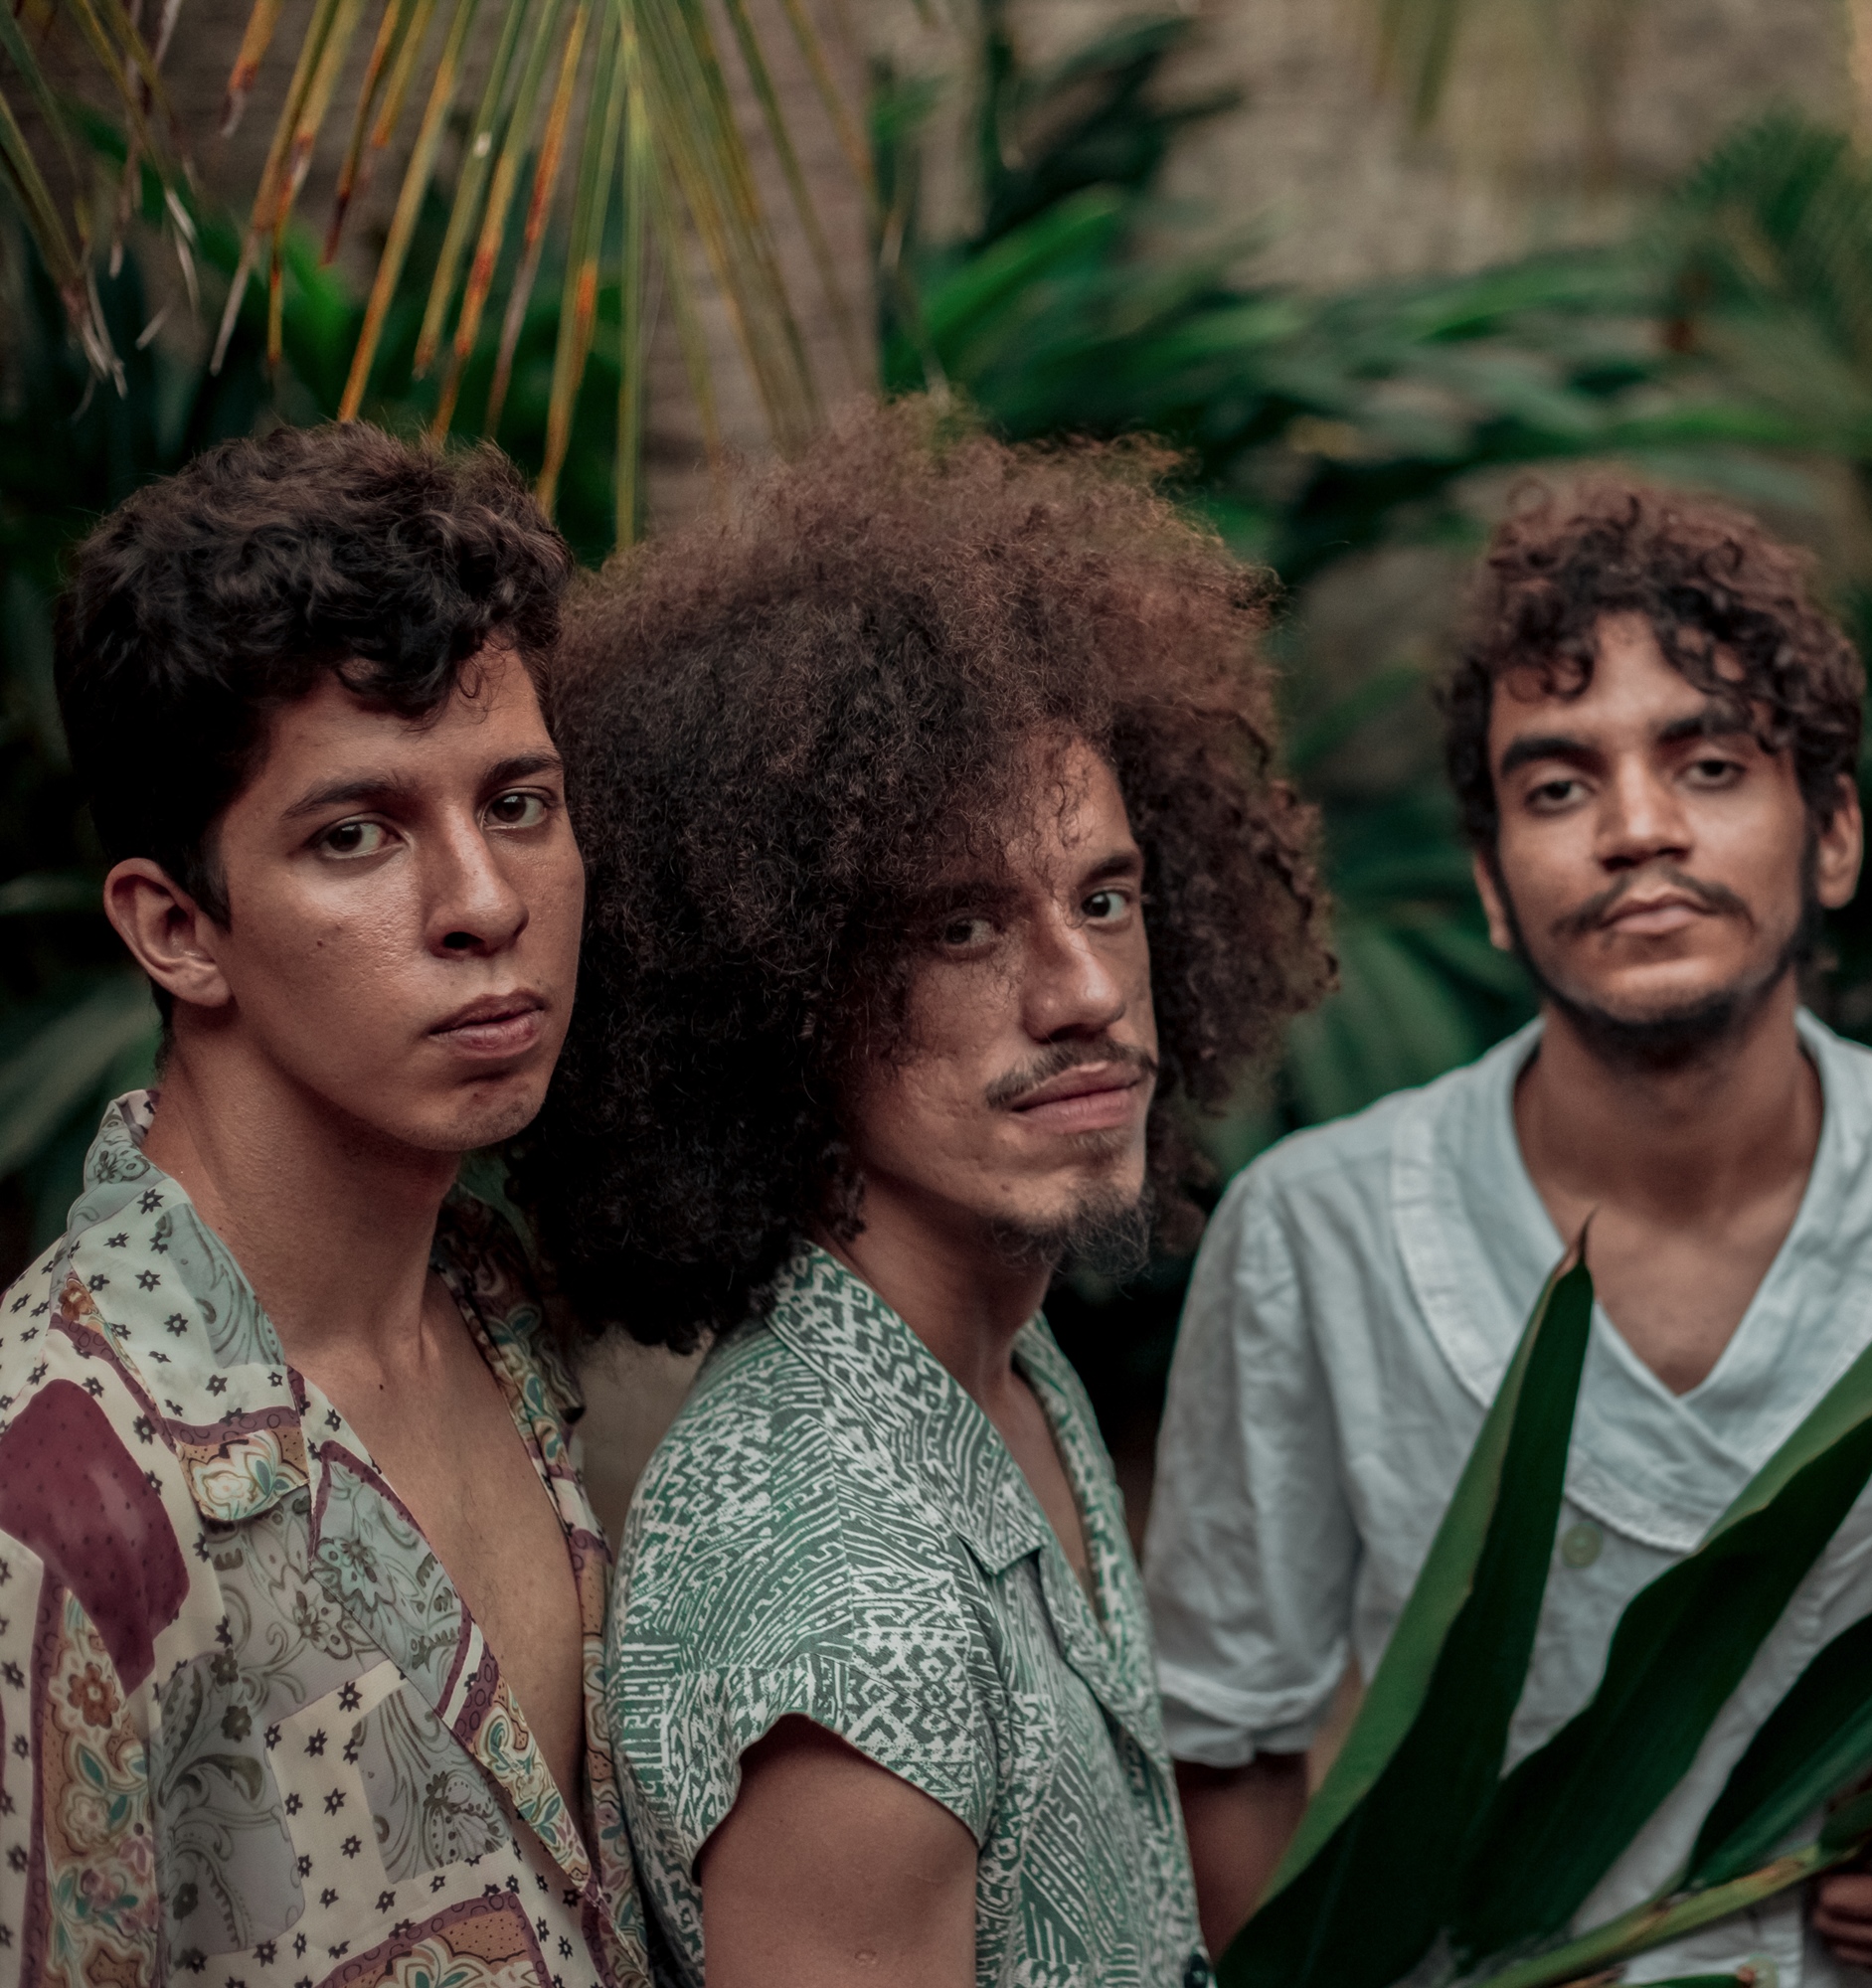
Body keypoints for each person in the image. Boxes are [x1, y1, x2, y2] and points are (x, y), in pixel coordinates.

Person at [1146, 480, 1872, 1984]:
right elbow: (1223, 1738)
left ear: (1832, 835)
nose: (1638, 830)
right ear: (1494, 887)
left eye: (1709, 764)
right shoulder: (1319, 1233)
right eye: (1559, 789)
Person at [519, 412, 1330, 1988]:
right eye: (963, 928)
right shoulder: (852, 1613)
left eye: (1105, 896)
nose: (1085, 990)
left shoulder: (1003, 1365)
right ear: (778, 994)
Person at [5, 425, 649, 1986]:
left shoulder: (493, 1304)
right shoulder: (62, 1495)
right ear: (177, 929)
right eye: (354, 834)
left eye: (519, 803)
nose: (484, 903)